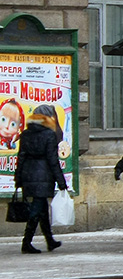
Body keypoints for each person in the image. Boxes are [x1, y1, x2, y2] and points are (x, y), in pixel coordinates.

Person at [14, 104, 69, 253]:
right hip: (43, 176)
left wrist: (18, 178)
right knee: (36, 209)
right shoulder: (49, 135)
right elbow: (53, 160)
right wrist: (61, 182)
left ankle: (50, 240)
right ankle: (26, 242)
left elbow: (21, 156)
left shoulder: (25, 134)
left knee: (42, 209)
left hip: (28, 175)